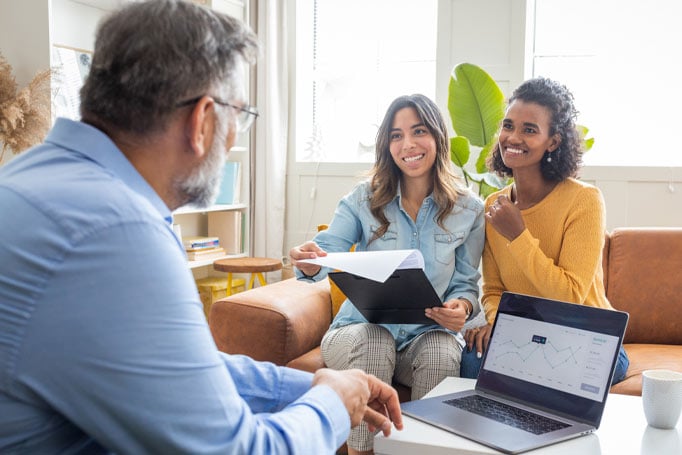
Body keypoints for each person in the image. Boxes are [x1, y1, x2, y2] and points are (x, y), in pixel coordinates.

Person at [0, 1, 403, 453]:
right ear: (203, 120)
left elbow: (179, 370)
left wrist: (308, 386)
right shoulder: (117, 234)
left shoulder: (34, 178)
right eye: (240, 116)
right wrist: (331, 403)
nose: (235, 135)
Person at [290, 94, 485, 454]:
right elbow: (326, 250)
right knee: (376, 340)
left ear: (438, 137)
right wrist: (309, 260)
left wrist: (461, 307)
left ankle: (423, 450)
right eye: (396, 135)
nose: (407, 144)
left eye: (418, 131)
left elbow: (465, 284)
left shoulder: (469, 209)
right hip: (356, 334)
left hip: (425, 336)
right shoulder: (363, 199)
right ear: (387, 144)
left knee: (443, 350)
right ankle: (361, 451)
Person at [460, 77, 630, 383]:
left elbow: (570, 297)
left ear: (553, 141)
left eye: (529, 130)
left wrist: (518, 236)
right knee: (473, 361)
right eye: (508, 125)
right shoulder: (494, 204)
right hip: (525, 334)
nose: (513, 138)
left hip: (588, 336)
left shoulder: (584, 200)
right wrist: (499, 325)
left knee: (539, 374)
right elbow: (494, 289)